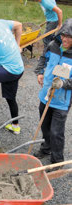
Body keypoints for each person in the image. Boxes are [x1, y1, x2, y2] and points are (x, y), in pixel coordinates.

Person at [33, 18, 72, 164]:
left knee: (57, 132)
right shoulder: (53, 45)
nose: (64, 39)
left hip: (62, 100)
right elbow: (43, 58)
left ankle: (57, 160)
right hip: (46, 94)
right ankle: (46, 148)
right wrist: (40, 72)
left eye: (69, 37)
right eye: (63, 35)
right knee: (44, 124)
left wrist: (63, 83)